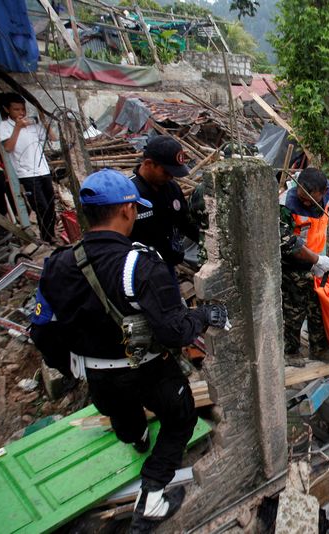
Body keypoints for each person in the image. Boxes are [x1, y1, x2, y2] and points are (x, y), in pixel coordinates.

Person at [29, 169, 228, 532]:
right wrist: (203, 315)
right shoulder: (140, 264)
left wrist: (72, 369)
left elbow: (41, 330)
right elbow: (174, 331)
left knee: (123, 417)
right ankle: (152, 493)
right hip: (148, 370)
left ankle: (137, 438)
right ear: (125, 211)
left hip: (98, 376)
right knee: (180, 416)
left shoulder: (57, 265)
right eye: (134, 208)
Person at [280, 167, 329, 364]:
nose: (304, 202)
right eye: (301, 197)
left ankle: (320, 349)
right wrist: (316, 260)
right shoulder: (285, 206)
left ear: (322, 191)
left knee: (320, 307)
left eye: (309, 199)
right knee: (295, 310)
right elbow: (287, 243)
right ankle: (292, 352)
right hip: (293, 264)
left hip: (317, 260)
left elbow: (327, 213)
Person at [129, 136, 200, 272]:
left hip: (169, 265)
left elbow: (186, 223)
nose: (170, 177)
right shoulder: (129, 194)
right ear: (149, 164)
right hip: (142, 272)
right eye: (166, 172)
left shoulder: (172, 188)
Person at [0, 93, 57, 243]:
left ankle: (50, 236)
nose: (21, 113)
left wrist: (44, 122)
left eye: (22, 109)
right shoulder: (5, 126)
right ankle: (47, 238)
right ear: (7, 109)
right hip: (27, 174)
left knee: (50, 206)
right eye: (16, 109)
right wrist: (17, 128)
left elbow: (53, 137)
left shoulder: (32, 124)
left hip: (43, 170)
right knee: (41, 208)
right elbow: (8, 147)